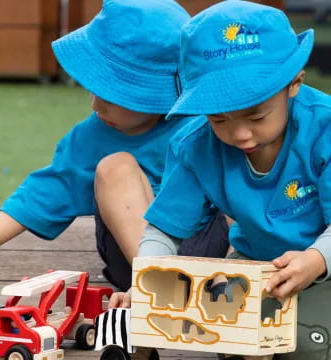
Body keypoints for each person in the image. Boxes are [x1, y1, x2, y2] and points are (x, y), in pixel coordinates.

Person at [0, 0, 229, 292]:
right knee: (115, 166)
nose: (96, 105)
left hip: (211, 254)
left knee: (236, 164)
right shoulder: (94, 135)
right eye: (93, 91)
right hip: (136, 261)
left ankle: (228, 281)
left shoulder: (205, 120)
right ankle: (159, 289)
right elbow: (46, 190)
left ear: (159, 92)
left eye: (111, 97)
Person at [113, 1, 330, 359]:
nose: (240, 134)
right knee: (233, 337)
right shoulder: (195, 146)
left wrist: (317, 260)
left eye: (257, 116)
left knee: (305, 344)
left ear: (294, 84)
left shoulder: (324, 128)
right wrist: (146, 278)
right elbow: (164, 230)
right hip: (254, 262)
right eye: (219, 119)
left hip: (324, 263)